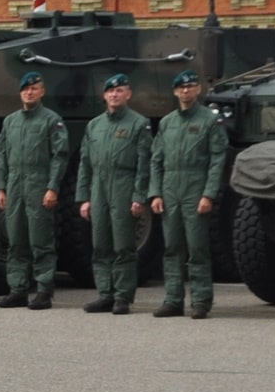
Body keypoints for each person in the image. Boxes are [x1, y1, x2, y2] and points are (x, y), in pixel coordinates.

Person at [149, 70, 228, 319]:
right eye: (181, 88)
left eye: (191, 87)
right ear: (175, 91)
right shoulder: (167, 122)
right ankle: (173, 300)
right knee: (172, 247)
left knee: (197, 248)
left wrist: (209, 194)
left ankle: (201, 301)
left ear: (198, 90)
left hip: (195, 186)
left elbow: (217, 160)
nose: (186, 91)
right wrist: (155, 193)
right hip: (170, 186)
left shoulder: (209, 121)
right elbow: (156, 160)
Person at [75, 73, 152, 315]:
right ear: (104, 95)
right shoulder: (94, 125)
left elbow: (144, 164)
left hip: (124, 186)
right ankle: (105, 294)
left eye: (120, 91)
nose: (114, 95)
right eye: (110, 91)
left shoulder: (139, 124)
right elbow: (85, 163)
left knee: (124, 246)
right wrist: (84, 198)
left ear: (128, 94)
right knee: (100, 245)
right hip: (98, 187)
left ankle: (122, 297)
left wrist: (140, 196)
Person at [0, 71, 68, 310]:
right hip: (15, 185)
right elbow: (3, 156)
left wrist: (52, 187)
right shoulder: (11, 121)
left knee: (40, 241)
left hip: (39, 184)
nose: (29, 92)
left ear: (42, 92)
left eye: (34, 88)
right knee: (15, 240)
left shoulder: (51, 120)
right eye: (26, 89)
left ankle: (44, 290)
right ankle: (17, 289)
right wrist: (2, 187)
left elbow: (59, 156)